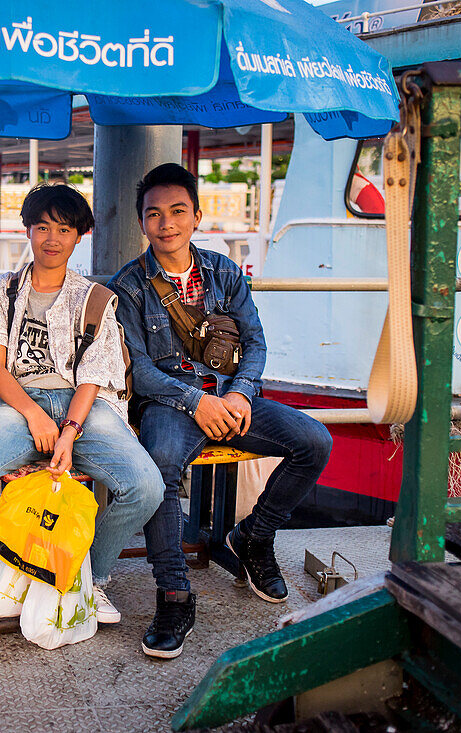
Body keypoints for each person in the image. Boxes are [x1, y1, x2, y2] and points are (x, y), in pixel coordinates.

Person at [109, 163, 332, 659]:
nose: (166, 223)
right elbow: (139, 370)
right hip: (170, 402)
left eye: (177, 211)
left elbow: (254, 343)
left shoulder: (224, 272)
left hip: (231, 397)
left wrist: (239, 395)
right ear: (142, 223)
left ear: (196, 216)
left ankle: (253, 537)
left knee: (314, 441)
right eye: (154, 214)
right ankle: (174, 594)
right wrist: (197, 400)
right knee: (160, 469)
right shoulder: (129, 286)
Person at [0, 183, 163, 626]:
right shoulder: (0, 291)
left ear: (80, 236)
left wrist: (69, 432)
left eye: (64, 228)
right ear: (27, 231)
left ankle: (92, 578)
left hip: (87, 406)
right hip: (19, 402)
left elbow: (94, 377)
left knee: (146, 486)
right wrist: (35, 414)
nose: (52, 238)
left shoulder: (96, 299)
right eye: (42, 226)